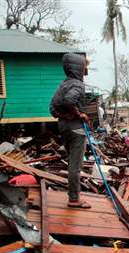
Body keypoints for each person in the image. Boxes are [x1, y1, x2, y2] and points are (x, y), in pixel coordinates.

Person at [50, 53, 91, 208]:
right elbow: (69, 100)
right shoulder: (78, 85)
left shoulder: (63, 85)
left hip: (63, 128)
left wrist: (65, 115)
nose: (86, 70)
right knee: (75, 166)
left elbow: (52, 109)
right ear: (78, 67)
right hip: (76, 130)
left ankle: (73, 195)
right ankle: (74, 199)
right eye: (84, 67)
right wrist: (80, 115)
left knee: (71, 164)